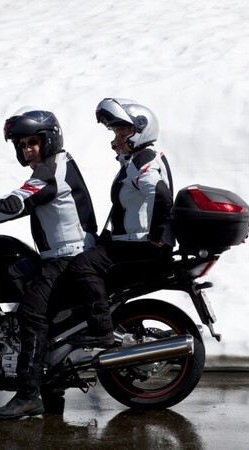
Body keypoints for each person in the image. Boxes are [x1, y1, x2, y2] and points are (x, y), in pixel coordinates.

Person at [0, 108, 97, 420]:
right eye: (22, 144)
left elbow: (17, 202)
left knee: (32, 314)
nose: (27, 149)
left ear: (49, 140)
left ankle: (29, 395)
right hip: (67, 253)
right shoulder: (56, 164)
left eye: (33, 142)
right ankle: (51, 381)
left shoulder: (50, 172)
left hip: (67, 258)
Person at [60, 98, 174, 347]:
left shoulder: (143, 160)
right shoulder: (136, 160)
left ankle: (101, 330)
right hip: (133, 240)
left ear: (141, 130)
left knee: (82, 267)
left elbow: (161, 194)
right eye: (115, 130)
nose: (117, 136)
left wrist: (156, 236)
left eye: (124, 130)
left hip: (142, 245)